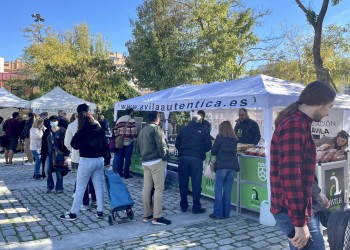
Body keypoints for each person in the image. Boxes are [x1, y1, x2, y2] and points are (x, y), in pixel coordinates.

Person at [270, 80, 336, 250]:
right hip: (292, 211)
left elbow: (301, 171)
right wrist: (299, 222)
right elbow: (290, 178)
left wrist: (317, 193)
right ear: (319, 104)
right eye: (329, 106)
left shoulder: (300, 123)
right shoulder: (295, 125)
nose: (328, 113)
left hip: (296, 209)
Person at [60, 111, 110, 221]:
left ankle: (73, 213)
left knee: (80, 188)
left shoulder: (82, 131)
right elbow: (106, 146)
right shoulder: (100, 130)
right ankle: (100, 211)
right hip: (99, 160)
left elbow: (74, 145)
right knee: (99, 186)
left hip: (86, 160)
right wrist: (107, 159)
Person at [137, 111, 171, 225]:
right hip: (156, 161)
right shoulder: (156, 129)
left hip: (146, 162)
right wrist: (165, 157)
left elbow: (139, 146)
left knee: (146, 188)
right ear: (157, 119)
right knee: (158, 189)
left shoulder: (143, 129)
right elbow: (161, 145)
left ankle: (147, 215)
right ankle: (157, 216)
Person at [175, 115, 212, 214]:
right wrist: (200, 152)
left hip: (183, 158)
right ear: (200, 121)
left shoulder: (183, 129)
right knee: (196, 183)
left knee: (183, 183)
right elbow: (209, 146)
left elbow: (177, 144)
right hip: (196, 159)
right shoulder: (203, 130)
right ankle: (196, 207)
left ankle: (183, 205)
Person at [64, 103, 98, 209]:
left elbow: (67, 143)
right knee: (93, 179)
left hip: (78, 156)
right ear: (88, 111)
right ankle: (95, 199)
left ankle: (85, 203)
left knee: (82, 181)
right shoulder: (95, 123)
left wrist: (74, 150)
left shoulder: (72, 125)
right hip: (93, 155)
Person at [209, 121, 239, 220]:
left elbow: (213, 151)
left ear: (221, 128)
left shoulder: (219, 138)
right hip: (232, 166)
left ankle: (217, 213)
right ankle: (226, 214)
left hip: (222, 165)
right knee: (227, 190)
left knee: (218, 189)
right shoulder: (234, 139)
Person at [41, 115, 70, 193]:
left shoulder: (63, 130)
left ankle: (59, 187)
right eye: (51, 121)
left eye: (54, 121)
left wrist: (66, 154)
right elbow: (44, 143)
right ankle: (50, 186)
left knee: (59, 171)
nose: (53, 122)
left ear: (57, 122)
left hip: (60, 154)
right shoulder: (47, 131)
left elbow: (66, 143)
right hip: (49, 154)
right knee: (47, 170)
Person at [113, 107, 137, 178]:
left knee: (120, 158)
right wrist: (134, 138)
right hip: (129, 142)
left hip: (120, 143)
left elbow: (115, 130)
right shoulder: (132, 120)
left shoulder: (119, 120)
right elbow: (134, 132)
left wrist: (118, 137)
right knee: (127, 159)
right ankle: (126, 174)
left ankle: (119, 173)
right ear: (131, 112)